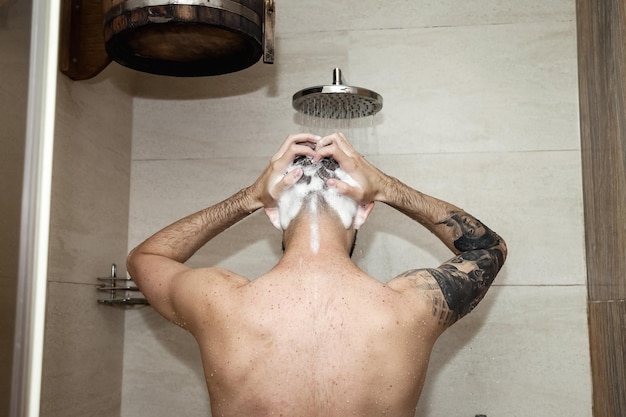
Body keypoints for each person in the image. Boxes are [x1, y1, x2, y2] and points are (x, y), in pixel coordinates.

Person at [127, 132, 507, 417]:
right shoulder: (408, 309)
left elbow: (147, 257)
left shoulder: (220, 304)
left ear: (273, 214)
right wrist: (387, 187)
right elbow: (488, 249)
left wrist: (251, 196)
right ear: (363, 212)